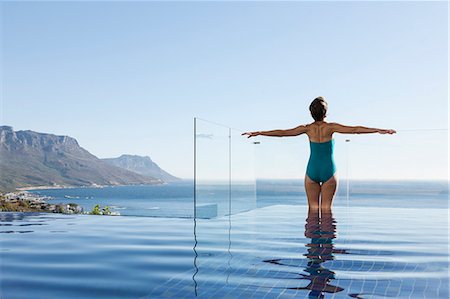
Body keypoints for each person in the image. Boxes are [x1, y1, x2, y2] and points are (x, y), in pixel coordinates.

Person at [242, 96, 396, 210]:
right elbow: (355, 130)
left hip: (312, 171)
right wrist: (379, 130)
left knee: (312, 211)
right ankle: (327, 251)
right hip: (329, 171)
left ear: (311, 113)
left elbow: (282, 133)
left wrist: (259, 132)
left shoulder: (307, 128)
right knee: (327, 211)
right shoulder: (331, 127)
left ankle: (312, 252)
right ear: (326, 113)